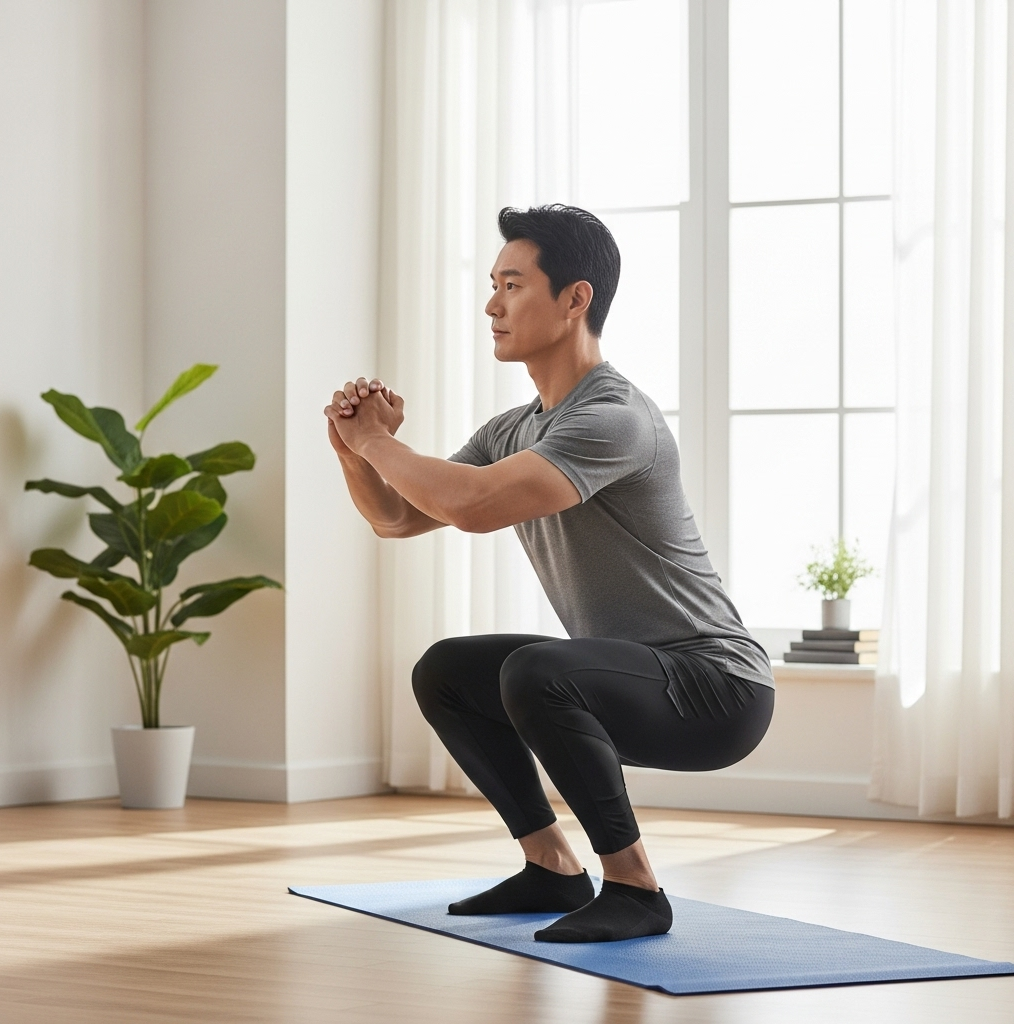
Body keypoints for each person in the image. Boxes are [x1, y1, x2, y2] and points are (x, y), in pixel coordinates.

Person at [325, 204, 774, 943]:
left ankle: (635, 888)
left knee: (538, 671)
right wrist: (354, 448)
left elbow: (470, 506)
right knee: (449, 670)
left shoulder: (615, 417)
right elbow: (398, 519)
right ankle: (552, 867)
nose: (491, 304)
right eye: (492, 285)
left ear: (575, 299)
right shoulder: (515, 428)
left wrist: (377, 441)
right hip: (638, 680)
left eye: (512, 284)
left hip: (717, 690)